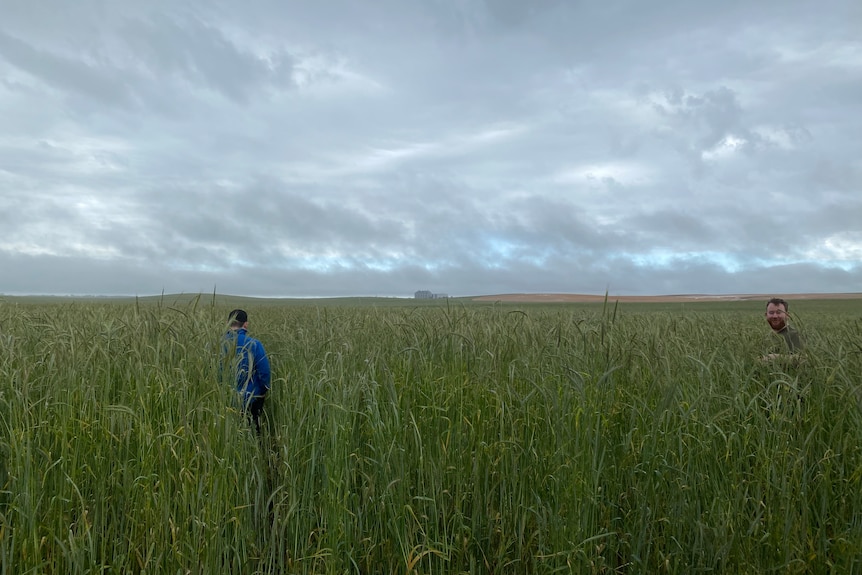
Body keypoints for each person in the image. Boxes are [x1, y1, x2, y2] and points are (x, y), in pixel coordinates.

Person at [221, 309, 271, 433]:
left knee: (228, 432)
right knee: (253, 430)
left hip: (223, 398)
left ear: (227, 322)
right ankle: (256, 450)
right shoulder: (254, 344)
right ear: (246, 324)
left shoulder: (218, 344)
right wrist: (263, 390)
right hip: (251, 398)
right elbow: (264, 372)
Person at [760, 297, 804, 363]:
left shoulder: (795, 335)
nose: (775, 316)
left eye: (779, 312)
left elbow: (802, 359)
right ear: (766, 315)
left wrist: (774, 357)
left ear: (787, 315)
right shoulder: (766, 337)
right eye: (771, 313)